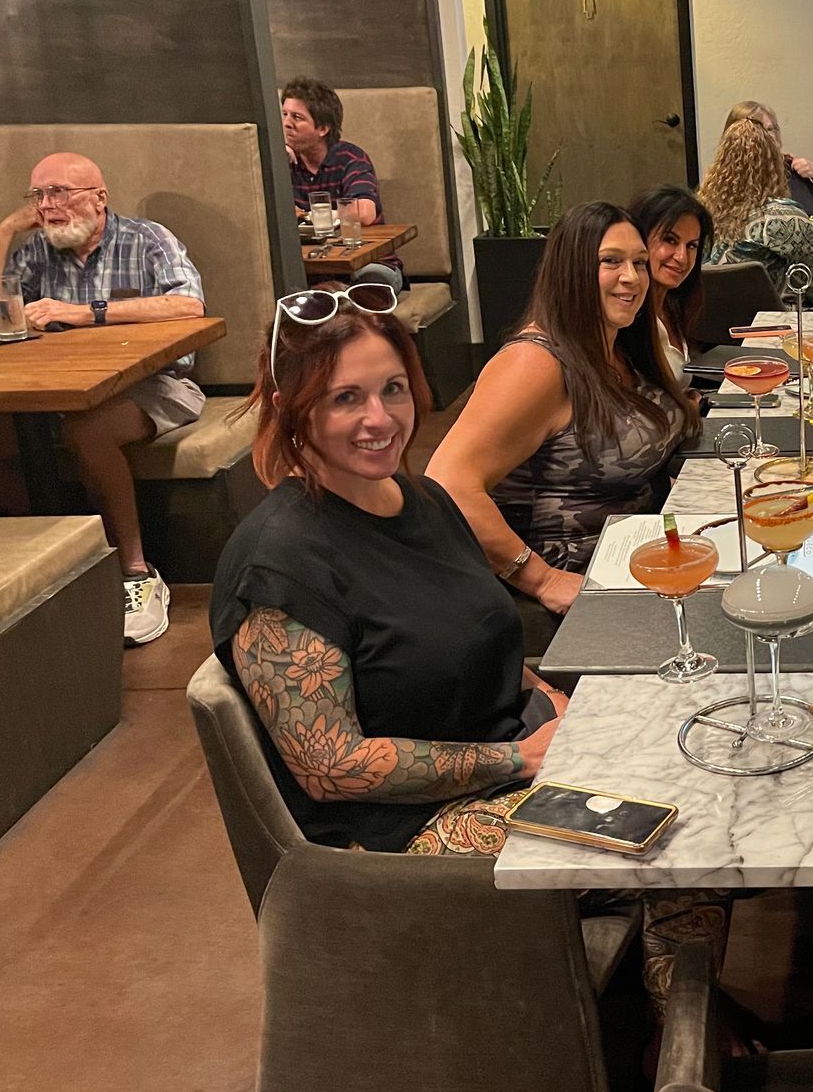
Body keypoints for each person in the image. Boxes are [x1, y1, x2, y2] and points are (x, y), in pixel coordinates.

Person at [211, 293, 724, 1005]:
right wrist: (520, 758)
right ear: (289, 407)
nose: (380, 418)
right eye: (345, 398)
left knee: (706, 769)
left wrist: (561, 707)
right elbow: (333, 768)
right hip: (401, 837)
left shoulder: (424, 502)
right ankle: (680, 1045)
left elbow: (481, 637)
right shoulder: (282, 564)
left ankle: (671, 1028)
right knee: (684, 839)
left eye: (393, 389)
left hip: (509, 763)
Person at [0, 153, 205, 645]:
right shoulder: (37, 251)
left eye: (59, 192)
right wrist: (6, 230)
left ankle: (136, 573)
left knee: (89, 434)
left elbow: (188, 304)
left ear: (99, 198)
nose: (47, 206)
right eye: (38, 195)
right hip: (56, 390)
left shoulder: (147, 239)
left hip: (156, 385)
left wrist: (85, 313)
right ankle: (72, 559)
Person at [427, 203, 696, 619]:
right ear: (571, 270)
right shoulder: (537, 363)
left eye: (639, 262)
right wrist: (541, 579)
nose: (632, 277)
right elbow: (447, 484)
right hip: (579, 586)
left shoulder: (621, 343)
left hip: (645, 553)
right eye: (611, 261)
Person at [280, 77, 405, 289]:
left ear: (323, 128)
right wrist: (277, 160)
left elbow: (364, 212)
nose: (286, 123)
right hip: (313, 267)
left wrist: (308, 215)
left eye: (297, 117)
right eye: (284, 114)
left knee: (370, 285)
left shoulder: (350, 158)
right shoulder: (284, 162)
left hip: (367, 263)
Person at [698, 119, 813, 308]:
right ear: (773, 166)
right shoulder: (786, 218)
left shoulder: (700, 213)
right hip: (771, 323)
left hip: (707, 320)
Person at [631, 185, 714, 388]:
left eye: (691, 245)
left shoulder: (672, 306)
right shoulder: (625, 317)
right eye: (670, 240)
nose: (682, 257)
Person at [723, 99, 813, 214]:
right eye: (761, 130)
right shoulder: (726, 179)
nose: (769, 136)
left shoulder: (791, 168)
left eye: (771, 129)